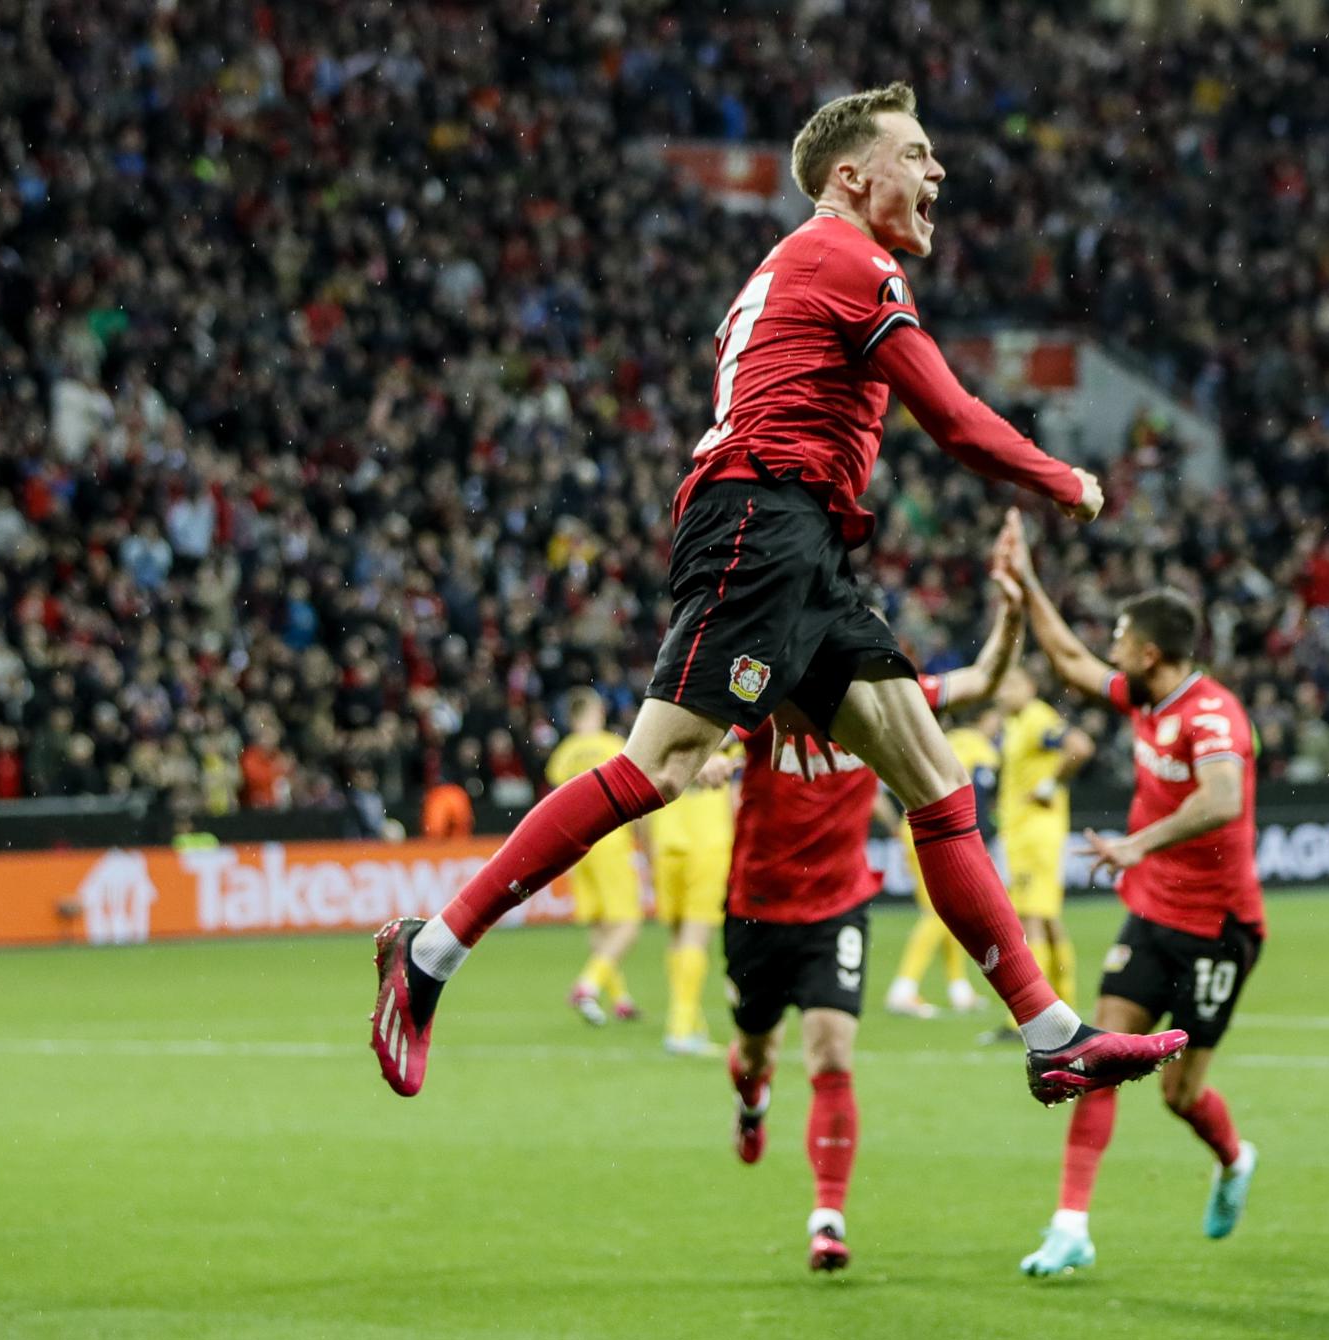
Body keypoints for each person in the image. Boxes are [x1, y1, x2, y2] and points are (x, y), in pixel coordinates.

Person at [370, 82, 1184, 1104]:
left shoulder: (796, 268)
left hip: (806, 544)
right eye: (917, 154)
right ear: (853, 175)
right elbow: (954, 413)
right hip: (762, 522)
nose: (937, 174)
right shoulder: (846, 255)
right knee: (662, 763)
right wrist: (1063, 477)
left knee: (935, 781)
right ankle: (432, 949)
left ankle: (1051, 1030)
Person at [1000, 511, 1265, 1275]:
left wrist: (1135, 845)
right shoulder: (1148, 696)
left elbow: (1222, 801)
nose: (1111, 648)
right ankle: (1071, 1226)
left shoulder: (1213, 714)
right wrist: (1027, 585)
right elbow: (1071, 665)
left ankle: (1234, 1158)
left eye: (1120, 637)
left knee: (1179, 1095)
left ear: (1150, 653)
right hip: (1152, 913)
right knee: (1100, 1057)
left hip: (1219, 927)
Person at [722, 718, 882, 1272]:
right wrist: (711, 759)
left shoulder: (880, 699)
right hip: (758, 909)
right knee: (755, 1052)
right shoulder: (771, 701)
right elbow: (708, 730)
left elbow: (973, 686)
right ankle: (752, 1100)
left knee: (833, 1052)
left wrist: (1010, 631)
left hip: (838, 907)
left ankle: (828, 1219)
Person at [884, 578, 1025, 1018]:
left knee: (951, 914)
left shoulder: (949, 732)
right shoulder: (975, 745)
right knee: (937, 913)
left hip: (925, 827)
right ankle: (904, 987)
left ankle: (958, 986)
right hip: (931, 829)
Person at [990, 666, 1094, 1021]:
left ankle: (1028, 1015)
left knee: (1029, 920)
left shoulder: (1036, 719)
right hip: (1025, 834)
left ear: (1030, 687)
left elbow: (1079, 746)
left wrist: (1050, 786)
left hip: (1035, 835)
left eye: (1011, 684)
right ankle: (1065, 1003)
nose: (1002, 693)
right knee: (1047, 920)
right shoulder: (1015, 724)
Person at [542, 690, 643, 1024]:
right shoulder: (613, 745)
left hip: (578, 847)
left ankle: (619, 998)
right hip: (611, 841)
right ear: (596, 711)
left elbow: (557, 802)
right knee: (628, 923)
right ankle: (589, 985)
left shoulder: (562, 755)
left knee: (601, 924)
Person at [644, 751, 737, 1054]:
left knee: (677, 936)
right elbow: (736, 801)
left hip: (667, 843)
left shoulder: (666, 730)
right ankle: (681, 1027)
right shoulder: (725, 737)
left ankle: (691, 1020)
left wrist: (649, 853)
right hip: (708, 845)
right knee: (696, 938)